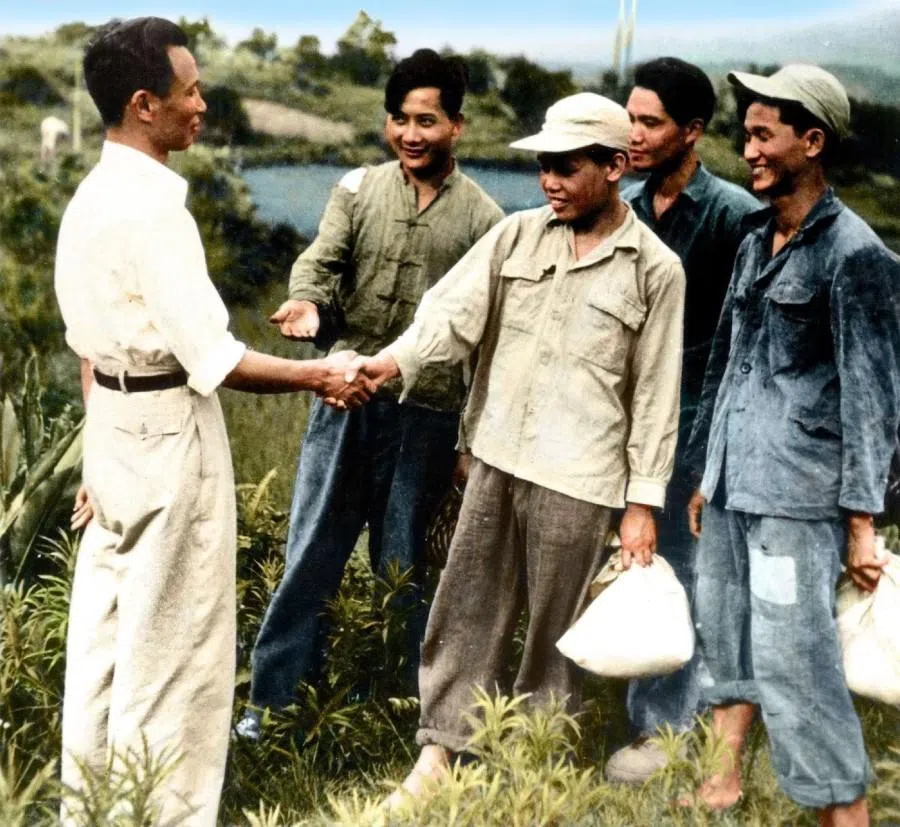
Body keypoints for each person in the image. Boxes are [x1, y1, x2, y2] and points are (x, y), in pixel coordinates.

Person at [54, 18, 372, 827]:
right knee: (176, 647)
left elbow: (91, 351)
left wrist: (98, 454)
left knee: (104, 644)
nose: (201, 105)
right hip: (165, 431)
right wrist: (322, 374)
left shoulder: (90, 197)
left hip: (116, 433)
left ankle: (88, 811)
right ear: (143, 104)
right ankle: (161, 815)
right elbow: (219, 360)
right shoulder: (155, 211)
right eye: (188, 91)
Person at [351, 91, 686, 805]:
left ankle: (535, 764)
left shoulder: (656, 270)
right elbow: (450, 313)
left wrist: (641, 504)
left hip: (581, 475)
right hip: (497, 458)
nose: (550, 181)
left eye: (566, 167)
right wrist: (392, 362)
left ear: (617, 166)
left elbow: (657, 393)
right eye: (543, 166)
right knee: (466, 606)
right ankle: (441, 751)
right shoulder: (516, 238)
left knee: (555, 633)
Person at [236, 49, 504, 739]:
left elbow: (483, 337)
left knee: (403, 567)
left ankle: (393, 710)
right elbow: (321, 263)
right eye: (399, 120)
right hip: (342, 404)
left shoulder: (486, 221)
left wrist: (468, 443)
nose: (411, 134)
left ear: (458, 126)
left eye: (427, 120)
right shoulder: (356, 189)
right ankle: (273, 706)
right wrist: (308, 308)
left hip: (426, 418)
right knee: (312, 551)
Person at [685, 65, 900, 825]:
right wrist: (707, 472)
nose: (748, 149)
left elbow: (874, 399)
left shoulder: (857, 255)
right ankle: (720, 781)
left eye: (763, 135)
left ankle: (845, 813)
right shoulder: (756, 240)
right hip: (736, 486)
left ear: (812, 142)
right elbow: (725, 363)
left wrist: (861, 521)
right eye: (745, 134)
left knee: (796, 664)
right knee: (725, 637)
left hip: (796, 500)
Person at [605, 56, 759, 784]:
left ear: (692, 132)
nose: (632, 133)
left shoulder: (732, 215)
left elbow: (739, 340)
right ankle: (645, 714)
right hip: (631, 418)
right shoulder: (627, 204)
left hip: (701, 418)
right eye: (629, 117)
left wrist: (710, 448)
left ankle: (671, 729)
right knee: (643, 566)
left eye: (649, 122)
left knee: (694, 573)